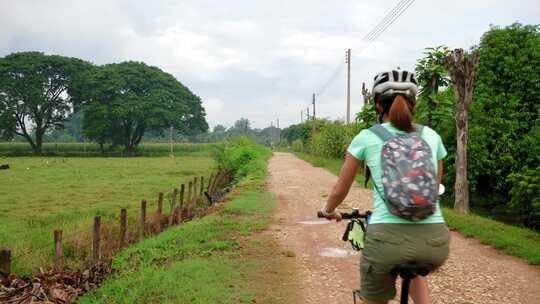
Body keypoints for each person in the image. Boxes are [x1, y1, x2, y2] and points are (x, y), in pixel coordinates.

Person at [319, 69, 450, 304]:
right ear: (414, 102)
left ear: (378, 105)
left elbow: (340, 189)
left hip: (386, 242)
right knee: (414, 264)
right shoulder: (431, 136)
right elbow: (435, 186)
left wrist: (329, 211)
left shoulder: (367, 137)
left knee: (374, 295)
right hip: (435, 242)